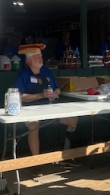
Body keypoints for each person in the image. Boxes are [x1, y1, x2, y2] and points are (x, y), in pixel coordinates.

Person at [15, 44, 80, 177]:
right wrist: (41, 95)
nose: (40, 58)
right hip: (30, 110)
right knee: (33, 125)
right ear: (29, 60)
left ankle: (66, 155)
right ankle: (36, 163)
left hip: (49, 108)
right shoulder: (23, 75)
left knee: (73, 120)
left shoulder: (46, 71)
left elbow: (57, 88)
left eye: (41, 56)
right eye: (37, 56)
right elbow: (20, 97)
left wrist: (56, 92)